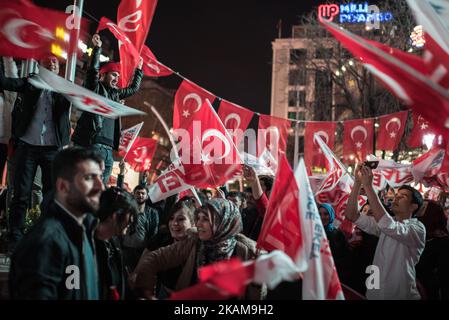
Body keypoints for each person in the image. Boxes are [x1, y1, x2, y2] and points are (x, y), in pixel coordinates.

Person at [9, 147, 104, 299]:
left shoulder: (85, 232)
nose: (101, 186)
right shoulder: (45, 243)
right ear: (62, 186)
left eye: (100, 177)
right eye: (89, 178)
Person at [0, 55, 72, 249]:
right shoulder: (31, 82)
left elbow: (89, 89)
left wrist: (97, 52)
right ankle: (14, 237)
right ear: (40, 66)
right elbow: (6, 82)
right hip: (27, 146)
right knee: (20, 194)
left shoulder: (65, 88)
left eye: (55, 62)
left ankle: (46, 237)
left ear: (59, 68)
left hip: (52, 149)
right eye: (47, 62)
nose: (52, 64)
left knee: (51, 196)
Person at [133, 198, 266, 299]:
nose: (199, 224)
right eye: (198, 218)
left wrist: (258, 280)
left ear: (223, 222)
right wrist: (147, 292)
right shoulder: (195, 243)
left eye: (206, 219)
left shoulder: (248, 252)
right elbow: (154, 259)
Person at [344, 164, 426, 300]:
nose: (397, 198)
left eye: (403, 196)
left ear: (413, 206)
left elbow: (389, 226)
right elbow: (351, 215)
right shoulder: (384, 224)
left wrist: (369, 186)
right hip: (375, 293)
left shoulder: (417, 229)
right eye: (397, 195)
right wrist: (357, 183)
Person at [72, 34, 144, 185]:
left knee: (100, 191)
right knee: (89, 187)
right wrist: (97, 49)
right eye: (113, 74)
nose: (116, 78)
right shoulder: (95, 89)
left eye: (118, 75)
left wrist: (139, 70)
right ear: (103, 75)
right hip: (94, 145)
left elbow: (133, 89)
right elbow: (92, 72)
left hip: (108, 151)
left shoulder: (116, 94)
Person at [94, 187, 138, 300]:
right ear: (115, 215)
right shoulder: (89, 245)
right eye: (130, 216)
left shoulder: (114, 241)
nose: (131, 221)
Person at [415, 200, 449, 299]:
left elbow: (444, 278)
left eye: (423, 208)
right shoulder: (414, 232)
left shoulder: (442, 242)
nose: (418, 209)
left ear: (432, 213)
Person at [122, 185, 159, 272]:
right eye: (138, 193)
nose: (140, 195)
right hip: (126, 250)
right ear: (133, 195)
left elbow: (154, 234)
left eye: (143, 193)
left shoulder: (153, 213)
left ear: (147, 196)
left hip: (142, 252)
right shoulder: (127, 210)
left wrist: (148, 250)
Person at [318, 203, 348, 277]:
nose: (322, 217)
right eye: (319, 214)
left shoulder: (338, 235)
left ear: (331, 215)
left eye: (326, 214)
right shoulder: (314, 231)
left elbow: (342, 258)